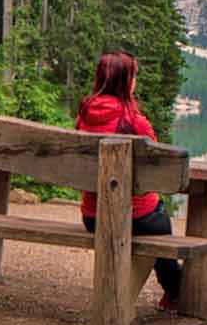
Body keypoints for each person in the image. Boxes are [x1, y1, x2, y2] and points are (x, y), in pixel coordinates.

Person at [77, 50, 181, 311]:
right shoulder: (135, 123)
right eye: (133, 76)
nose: (135, 81)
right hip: (135, 216)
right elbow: (158, 170)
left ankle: (173, 291)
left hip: (93, 216)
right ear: (125, 82)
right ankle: (176, 290)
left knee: (155, 222)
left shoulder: (84, 117)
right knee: (160, 224)